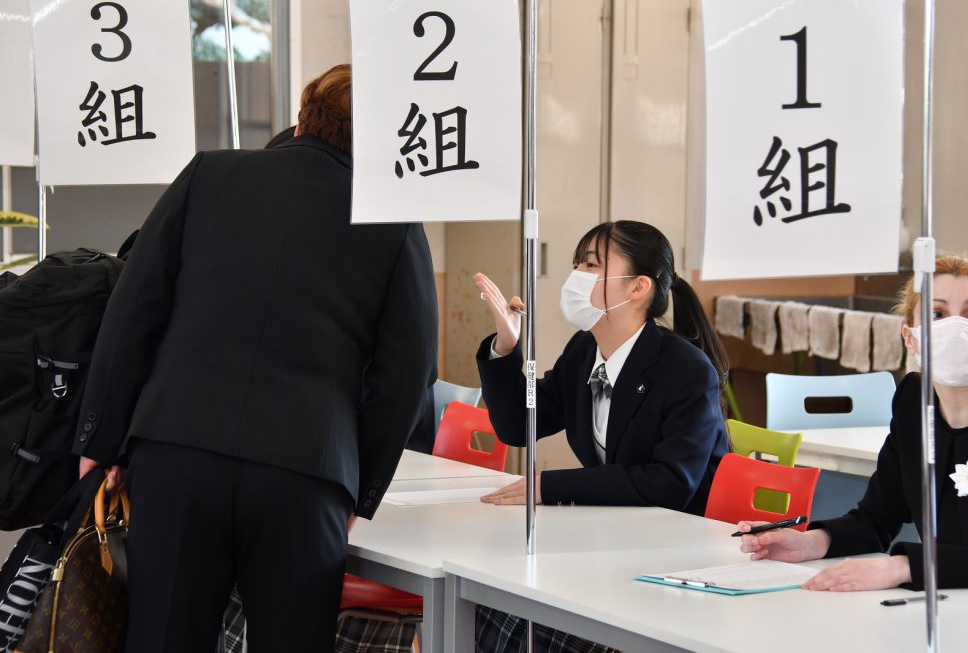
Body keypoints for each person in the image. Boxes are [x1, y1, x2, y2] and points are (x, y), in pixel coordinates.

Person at [74, 63, 438, 651]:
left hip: (177, 453)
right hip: (306, 476)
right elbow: (407, 376)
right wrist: (359, 486)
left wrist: (101, 438)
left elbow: (133, 311)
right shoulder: (394, 224)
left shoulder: (208, 175)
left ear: (303, 118)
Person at [474, 220, 730, 652]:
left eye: (591, 265)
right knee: (497, 600)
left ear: (638, 287)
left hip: (679, 553)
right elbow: (520, 422)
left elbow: (670, 482)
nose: (576, 276)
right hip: (617, 541)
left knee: (535, 620)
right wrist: (507, 346)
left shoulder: (685, 369)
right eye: (577, 264)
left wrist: (551, 487)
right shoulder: (582, 351)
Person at [738, 255, 968, 591]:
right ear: (909, 337)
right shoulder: (913, 401)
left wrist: (903, 567)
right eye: (936, 314)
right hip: (954, 602)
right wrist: (810, 543)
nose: (956, 327)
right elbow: (878, 517)